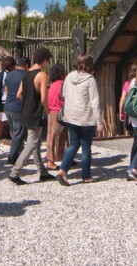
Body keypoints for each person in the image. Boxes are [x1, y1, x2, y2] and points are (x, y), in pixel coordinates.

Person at [8, 48, 56, 185]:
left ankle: (43, 172)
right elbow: (43, 98)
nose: (48, 64)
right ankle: (15, 172)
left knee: (35, 143)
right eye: (48, 61)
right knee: (31, 144)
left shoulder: (26, 73)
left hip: (25, 112)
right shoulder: (42, 75)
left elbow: (18, 94)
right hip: (35, 113)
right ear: (45, 59)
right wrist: (47, 110)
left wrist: (28, 102)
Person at [55, 55, 101, 186]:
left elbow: (63, 94)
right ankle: (86, 175)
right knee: (86, 147)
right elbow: (95, 101)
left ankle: (62, 171)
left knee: (73, 144)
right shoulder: (90, 79)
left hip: (71, 115)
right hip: (86, 117)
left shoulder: (69, 76)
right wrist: (99, 121)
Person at [3, 57, 30, 165]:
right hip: (18, 108)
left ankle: (18, 154)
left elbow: (6, 90)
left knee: (15, 132)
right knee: (18, 134)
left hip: (8, 107)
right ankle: (12, 158)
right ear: (27, 66)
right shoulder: (26, 76)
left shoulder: (9, 74)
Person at [44, 63, 68, 171]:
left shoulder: (52, 85)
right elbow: (64, 99)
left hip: (50, 112)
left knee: (51, 136)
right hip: (59, 113)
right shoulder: (63, 85)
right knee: (58, 136)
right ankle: (51, 161)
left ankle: (62, 158)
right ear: (61, 74)